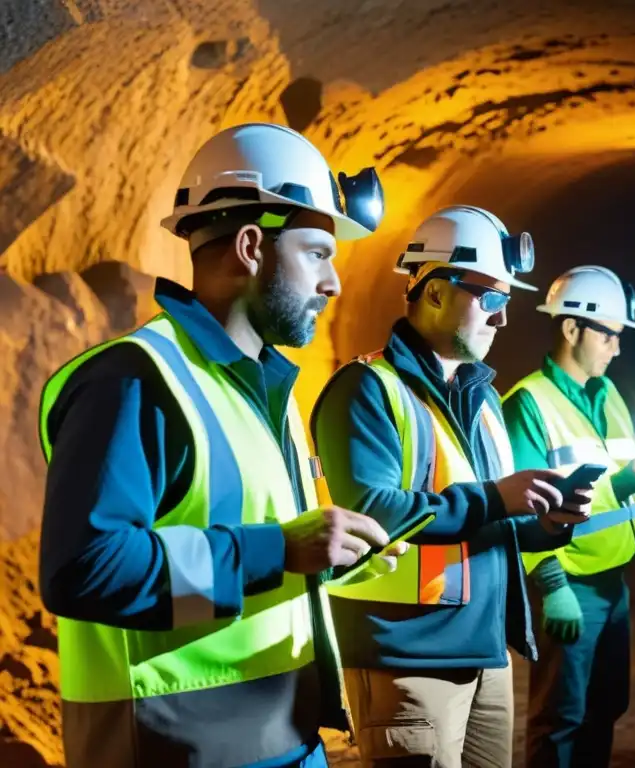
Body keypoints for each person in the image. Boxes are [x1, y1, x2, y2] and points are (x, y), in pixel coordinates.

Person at [38, 122, 403, 768]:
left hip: (287, 736)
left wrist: (324, 555)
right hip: (178, 747)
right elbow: (83, 570)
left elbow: (245, 545)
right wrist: (280, 549)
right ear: (251, 246)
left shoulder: (268, 391)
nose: (334, 283)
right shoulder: (134, 381)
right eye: (318, 253)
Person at [310, 205, 592, 768]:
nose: (502, 318)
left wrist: (540, 525)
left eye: (508, 301)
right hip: (407, 657)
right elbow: (373, 510)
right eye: (491, 298)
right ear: (436, 292)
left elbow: (487, 522)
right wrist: (495, 498)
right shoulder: (365, 390)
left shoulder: (482, 397)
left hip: (484, 652)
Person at [502, 266, 635, 767]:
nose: (617, 348)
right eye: (610, 336)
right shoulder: (528, 403)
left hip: (612, 582)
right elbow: (519, 512)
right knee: (560, 719)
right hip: (570, 586)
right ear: (572, 329)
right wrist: (552, 588)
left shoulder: (608, 394)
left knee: (606, 707)